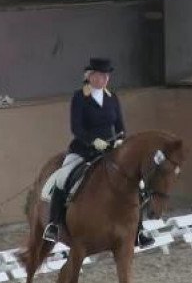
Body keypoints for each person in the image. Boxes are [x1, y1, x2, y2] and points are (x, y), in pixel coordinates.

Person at [43, 57, 155, 248]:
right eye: (100, 75)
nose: (103, 79)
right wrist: (93, 141)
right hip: (83, 149)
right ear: (90, 76)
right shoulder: (80, 97)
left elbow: (120, 125)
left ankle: (139, 229)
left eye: (106, 76)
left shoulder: (112, 97)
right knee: (63, 177)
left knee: (138, 182)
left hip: (110, 149)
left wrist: (120, 139)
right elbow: (76, 127)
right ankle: (53, 225)